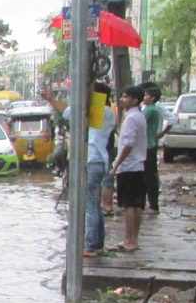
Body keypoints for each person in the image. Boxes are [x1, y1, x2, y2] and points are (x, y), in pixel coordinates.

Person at [43, 83, 115, 256]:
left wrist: (53, 100)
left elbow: (74, 116)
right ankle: (96, 244)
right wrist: (52, 100)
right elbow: (71, 113)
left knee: (90, 205)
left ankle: (91, 245)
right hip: (95, 161)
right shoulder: (106, 112)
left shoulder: (100, 111)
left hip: (92, 160)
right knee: (94, 205)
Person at [109, 85, 148, 253]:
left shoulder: (132, 118)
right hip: (138, 165)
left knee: (129, 205)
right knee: (136, 204)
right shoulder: (138, 116)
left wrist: (116, 164)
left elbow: (128, 144)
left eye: (125, 97)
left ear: (134, 100)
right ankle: (134, 239)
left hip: (129, 166)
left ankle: (129, 239)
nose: (122, 99)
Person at [140, 84, 169, 214]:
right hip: (149, 145)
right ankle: (150, 203)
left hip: (148, 146)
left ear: (152, 98)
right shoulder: (151, 109)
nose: (144, 97)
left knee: (148, 176)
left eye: (146, 95)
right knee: (149, 175)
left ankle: (152, 204)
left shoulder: (150, 110)